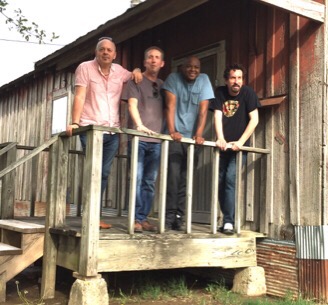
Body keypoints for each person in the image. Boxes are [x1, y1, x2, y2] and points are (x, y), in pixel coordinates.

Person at [66, 37, 142, 229]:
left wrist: (138, 71)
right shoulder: (85, 68)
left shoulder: (119, 71)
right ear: (96, 52)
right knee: (94, 171)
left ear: (114, 55)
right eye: (102, 49)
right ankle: (89, 216)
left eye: (109, 50)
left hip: (112, 131)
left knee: (104, 173)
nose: (106, 52)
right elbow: (80, 96)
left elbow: (132, 75)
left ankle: (93, 215)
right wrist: (75, 123)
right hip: (91, 128)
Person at [163, 56, 215, 231]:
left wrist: (199, 135)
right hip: (175, 137)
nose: (193, 70)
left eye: (196, 67)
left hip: (192, 140)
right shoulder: (173, 79)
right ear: (182, 67)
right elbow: (170, 107)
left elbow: (203, 110)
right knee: (173, 178)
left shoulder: (204, 80)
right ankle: (169, 217)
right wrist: (172, 131)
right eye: (189, 67)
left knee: (187, 179)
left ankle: (180, 216)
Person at [210, 63, 260, 235]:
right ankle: (226, 219)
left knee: (230, 180)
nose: (236, 81)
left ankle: (229, 222)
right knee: (220, 182)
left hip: (239, 149)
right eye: (232, 78)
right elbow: (217, 116)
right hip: (222, 147)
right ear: (226, 80)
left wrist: (241, 142)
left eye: (239, 77)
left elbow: (254, 120)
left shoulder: (248, 93)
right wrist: (220, 138)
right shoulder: (220, 93)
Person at [121, 46, 165, 233]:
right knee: (137, 179)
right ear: (145, 61)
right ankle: (134, 219)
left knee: (149, 181)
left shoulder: (164, 85)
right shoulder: (135, 81)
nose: (153, 60)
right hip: (138, 138)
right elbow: (132, 105)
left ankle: (143, 218)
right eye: (150, 57)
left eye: (157, 58)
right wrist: (139, 126)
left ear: (162, 63)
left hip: (156, 140)